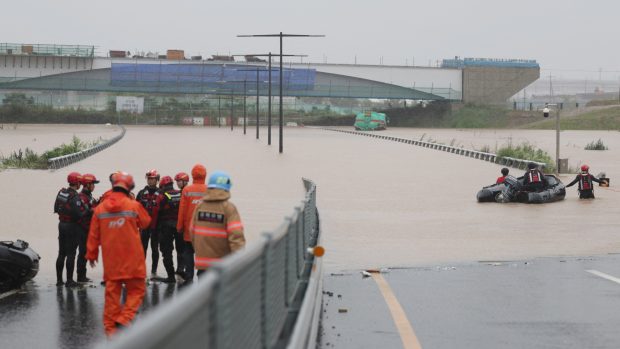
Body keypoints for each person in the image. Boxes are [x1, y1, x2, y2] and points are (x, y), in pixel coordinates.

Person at [86, 172, 151, 337]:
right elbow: (146, 222)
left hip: (111, 262)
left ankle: (111, 334)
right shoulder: (133, 206)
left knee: (112, 299)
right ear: (129, 187)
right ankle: (125, 319)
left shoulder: (100, 208)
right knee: (136, 291)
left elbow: (93, 235)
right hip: (133, 260)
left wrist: (91, 255)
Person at [190, 171, 245, 276]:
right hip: (222, 266)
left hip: (202, 265)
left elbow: (192, 232)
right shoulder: (229, 208)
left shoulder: (200, 206)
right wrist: (239, 262)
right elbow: (236, 236)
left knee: (204, 292)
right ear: (226, 188)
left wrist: (201, 251)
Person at [54, 172, 87, 287]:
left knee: (61, 253)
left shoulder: (61, 192)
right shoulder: (75, 196)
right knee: (71, 254)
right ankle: (69, 281)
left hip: (61, 225)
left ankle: (59, 281)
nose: (80, 185)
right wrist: (88, 211)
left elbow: (55, 208)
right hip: (71, 227)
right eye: (80, 183)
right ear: (77, 183)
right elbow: (79, 214)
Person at [177, 164, 207, 284]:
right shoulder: (209, 189)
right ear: (205, 175)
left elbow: (182, 211)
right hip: (204, 230)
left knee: (188, 252)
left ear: (192, 175)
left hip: (189, 230)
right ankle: (202, 276)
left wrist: (179, 227)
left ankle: (189, 276)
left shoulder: (187, 190)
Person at [153, 176, 181, 283]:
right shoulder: (180, 193)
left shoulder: (162, 196)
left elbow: (156, 212)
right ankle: (182, 272)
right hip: (179, 227)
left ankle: (171, 276)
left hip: (165, 227)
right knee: (181, 251)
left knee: (166, 252)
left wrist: (153, 228)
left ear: (162, 186)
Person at [136, 169, 163, 278]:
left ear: (157, 180)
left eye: (152, 179)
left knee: (155, 249)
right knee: (142, 248)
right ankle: (141, 270)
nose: (150, 181)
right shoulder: (141, 193)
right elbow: (135, 207)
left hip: (156, 226)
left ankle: (154, 271)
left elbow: (168, 201)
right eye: (149, 179)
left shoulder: (162, 193)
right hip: (144, 226)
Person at [76, 173, 100, 283]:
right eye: (93, 184)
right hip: (82, 230)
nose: (94, 186)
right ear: (87, 184)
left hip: (87, 229)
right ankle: (81, 277)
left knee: (84, 252)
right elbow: (84, 213)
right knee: (82, 253)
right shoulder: (82, 197)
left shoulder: (88, 196)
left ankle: (82, 276)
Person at [173, 172, 189, 278]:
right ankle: (180, 268)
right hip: (179, 225)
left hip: (186, 226)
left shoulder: (187, 193)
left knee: (185, 249)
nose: (177, 183)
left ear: (184, 181)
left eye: (179, 181)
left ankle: (184, 269)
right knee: (179, 248)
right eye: (177, 181)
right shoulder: (179, 193)